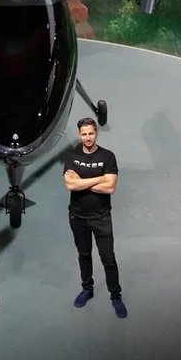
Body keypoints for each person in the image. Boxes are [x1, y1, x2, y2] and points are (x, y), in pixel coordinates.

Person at [63, 116, 126, 318]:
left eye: (91, 133)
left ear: (96, 133)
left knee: (108, 258)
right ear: (79, 135)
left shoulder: (108, 156)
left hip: (101, 218)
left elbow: (110, 187)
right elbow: (70, 185)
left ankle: (115, 296)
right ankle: (87, 289)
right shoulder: (72, 156)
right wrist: (99, 178)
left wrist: (82, 181)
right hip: (77, 217)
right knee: (84, 255)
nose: (88, 137)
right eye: (84, 134)